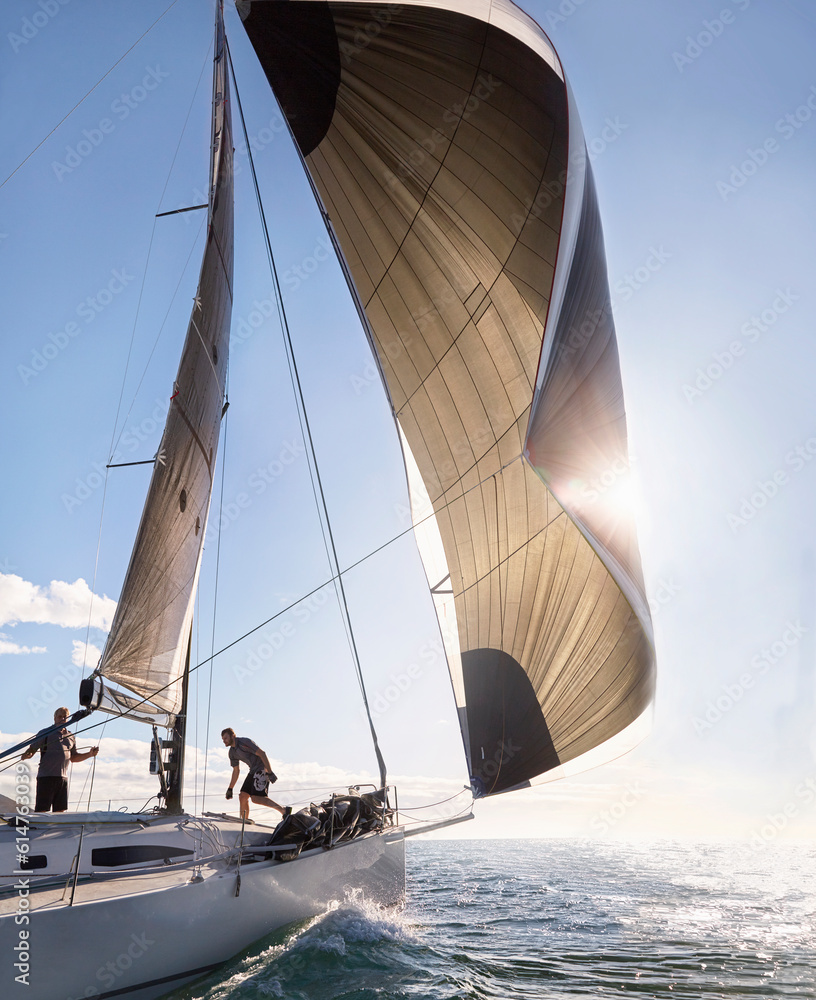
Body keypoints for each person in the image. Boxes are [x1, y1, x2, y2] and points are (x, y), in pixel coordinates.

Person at [20, 706, 99, 812]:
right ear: (54, 718)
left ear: (68, 718)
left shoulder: (70, 736)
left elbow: (74, 757)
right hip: (46, 777)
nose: (62, 719)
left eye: (65, 717)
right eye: (59, 717)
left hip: (62, 779)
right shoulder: (45, 732)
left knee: (60, 811)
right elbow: (32, 750)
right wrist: (27, 755)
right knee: (42, 810)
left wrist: (89, 754)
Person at [221, 727, 290, 822]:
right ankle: (244, 822)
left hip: (262, 768)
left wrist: (269, 772)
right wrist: (230, 788)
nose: (224, 741)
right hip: (252, 770)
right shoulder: (232, 753)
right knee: (242, 796)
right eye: (223, 739)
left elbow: (262, 754)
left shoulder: (244, 742)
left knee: (256, 798)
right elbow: (236, 771)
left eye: (225, 738)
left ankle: (283, 810)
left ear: (232, 736)